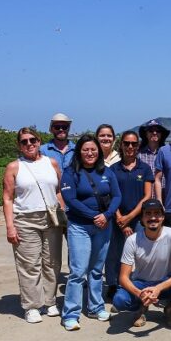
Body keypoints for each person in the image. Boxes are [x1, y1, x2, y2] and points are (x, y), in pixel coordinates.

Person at [60, 134, 122, 331]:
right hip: (80, 226)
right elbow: (70, 199)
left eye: (93, 149)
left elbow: (117, 195)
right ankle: (71, 314)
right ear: (79, 151)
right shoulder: (71, 172)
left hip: (104, 226)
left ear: (99, 151)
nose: (90, 153)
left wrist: (107, 215)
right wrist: (93, 215)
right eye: (85, 149)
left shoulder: (107, 171)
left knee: (96, 270)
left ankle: (96, 307)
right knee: (78, 271)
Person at [2, 127, 64, 324]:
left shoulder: (51, 163)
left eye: (32, 140)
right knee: (29, 265)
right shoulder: (14, 167)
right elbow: (7, 198)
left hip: (51, 218)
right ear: (19, 145)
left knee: (52, 262)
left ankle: (50, 301)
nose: (29, 144)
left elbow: (59, 191)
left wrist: (62, 213)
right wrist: (10, 226)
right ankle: (32, 306)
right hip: (25, 219)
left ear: (39, 142)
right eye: (24, 141)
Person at [112, 199, 171, 329]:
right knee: (119, 300)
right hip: (141, 283)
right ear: (142, 218)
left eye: (157, 213)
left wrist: (158, 288)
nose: (153, 217)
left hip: (166, 282)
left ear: (163, 217)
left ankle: (170, 308)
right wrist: (140, 294)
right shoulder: (132, 240)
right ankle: (140, 308)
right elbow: (123, 277)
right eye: (148, 214)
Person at [105, 130, 154, 300]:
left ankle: (138, 283)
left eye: (134, 144)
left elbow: (147, 196)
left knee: (140, 252)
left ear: (138, 146)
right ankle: (113, 284)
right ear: (121, 145)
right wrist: (120, 219)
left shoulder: (145, 169)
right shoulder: (112, 169)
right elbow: (110, 195)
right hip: (117, 217)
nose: (130, 147)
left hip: (138, 218)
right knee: (114, 252)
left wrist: (130, 217)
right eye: (126, 143)